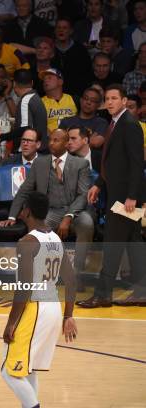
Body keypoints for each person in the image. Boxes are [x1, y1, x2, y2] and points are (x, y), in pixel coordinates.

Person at [1, 191, 78, 408]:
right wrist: (69, 315)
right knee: (29, 368)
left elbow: (23, 289)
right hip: (53, 308)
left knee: (9, 371)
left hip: (35, 309)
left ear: (27, 211)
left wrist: (11, 323)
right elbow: (71, 280)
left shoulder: (27, 242)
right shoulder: (54, 238)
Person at [78, 85, 146, 307]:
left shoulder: (129, 124)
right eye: (107, 98)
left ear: (124, 101)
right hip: (120, 193)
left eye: (114, 98)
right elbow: (113, 162)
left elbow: (137, 164)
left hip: (126, 197)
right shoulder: (115, 123)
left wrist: (132, 196)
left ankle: (103, 295)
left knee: (112, 244)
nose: (110, 102)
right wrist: (98, 184)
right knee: (133, 243)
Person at [0, 129, 94, 283]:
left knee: (87, 223)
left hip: (74, 211)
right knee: (37, 229)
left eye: (56, 140)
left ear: (66, 143)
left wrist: (68, 217)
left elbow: (83, 195)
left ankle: (77, 274)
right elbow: (24, 190)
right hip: (50, 211)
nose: (51, 143)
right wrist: (12, 216)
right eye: (50, 140)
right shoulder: (40, 162)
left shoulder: (81, 164)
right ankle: (45, 276)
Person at [12, 69, 48, 152]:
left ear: (14, 83)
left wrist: (20, 152)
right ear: (32, 83)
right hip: (40, 150)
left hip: (32, 153)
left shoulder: (26, 100)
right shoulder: (36, 97)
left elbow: (25, 130)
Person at [40, 68, 78, 136]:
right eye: (44, 79)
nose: (45, 81)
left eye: (49, 78)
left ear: (60, 81)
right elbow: (39, 125)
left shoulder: (74, 99)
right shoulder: (39, 102)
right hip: (50, 141)